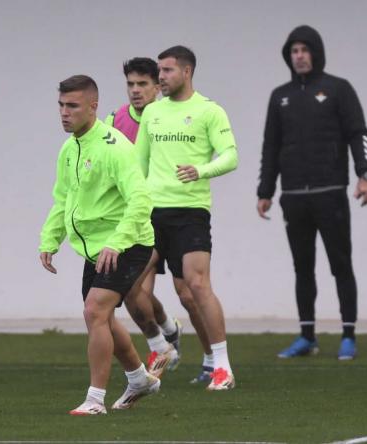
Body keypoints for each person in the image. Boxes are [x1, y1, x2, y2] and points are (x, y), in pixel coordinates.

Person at [39, 75, 161, 415]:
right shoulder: (69, 149)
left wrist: (117, 243)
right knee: (101, 318)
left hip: (128, 243)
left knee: (95, 311)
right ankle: (139, 378)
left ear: (93, 107)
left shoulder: (114, 147)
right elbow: (63, 198)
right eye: (61, 105)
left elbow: (141, 200)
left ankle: (95, 400)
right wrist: (50, 238)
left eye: (73, 106)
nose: (64, 113)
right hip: (96, 249)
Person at [257, 25, 367, 361]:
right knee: (302, 268)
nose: (300, 56)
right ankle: (307, 336)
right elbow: (270, 146)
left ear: (316, 53)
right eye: (294, 51)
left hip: (330, 193)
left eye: (305, 50)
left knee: (341, 265)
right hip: (294, 197)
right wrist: (265, 191)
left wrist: (365, 175)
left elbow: (358, 133)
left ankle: (348, 335)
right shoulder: (279, 96)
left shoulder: (339, 89)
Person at [135, 45, 239, 391]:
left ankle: (221, 366)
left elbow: (230, 156)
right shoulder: (152, 113)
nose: (161, 77)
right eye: (159, 71)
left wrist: (200, 170)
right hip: (151, 214)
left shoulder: (209, 111)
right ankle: (162, 343)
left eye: (167, 70)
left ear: (186, 72)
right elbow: (139, 165)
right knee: (131, 286)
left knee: (195, 287)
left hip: (190, 212)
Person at [105, 57, 214, 384]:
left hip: (176, 213)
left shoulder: (169, 116)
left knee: (188, 294)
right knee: (130, 287)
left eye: (143, 84)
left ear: (157, 86)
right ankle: (162, 340)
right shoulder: (114, 120)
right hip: (140, 218)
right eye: (131, 84)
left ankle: (212, 359)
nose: (136, 90)